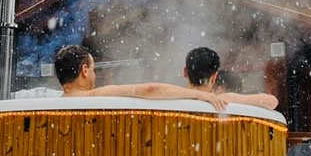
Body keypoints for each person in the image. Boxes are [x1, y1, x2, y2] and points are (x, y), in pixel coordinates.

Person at [54, 45, 227, 112]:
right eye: (93, 69)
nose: (95, 75)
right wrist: (199, 94)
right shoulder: (96, 97)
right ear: (84, 70)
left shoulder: (47, 107)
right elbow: (150, 90)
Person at [183, 46, 279, 111]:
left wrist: (195, 94)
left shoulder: (174, 97)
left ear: (185, 72)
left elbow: (167, 89)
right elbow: (272, 102)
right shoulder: (222, 101)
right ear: (214, 76)